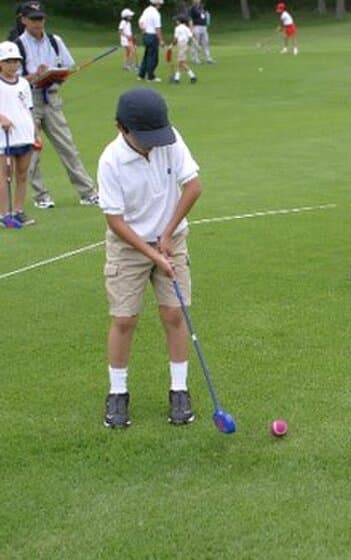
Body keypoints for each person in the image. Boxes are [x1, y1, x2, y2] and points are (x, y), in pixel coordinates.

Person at [97, 87, 203, 429]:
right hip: (129, 247)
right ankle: (117, 393)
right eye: (145, 137)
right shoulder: (110, 160)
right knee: (124, 319)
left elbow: (193, 187)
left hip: (170, 239)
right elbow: (115, 220)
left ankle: (179, 389)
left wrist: (168, 234)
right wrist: (152, 254)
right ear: (120, 127)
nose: (153, 143)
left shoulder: (169, 141)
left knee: (174, 314)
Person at [15, 1, 99, 209]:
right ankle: (41, 196)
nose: (38, 23)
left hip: (51, 97)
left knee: (67, 146)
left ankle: (87, 192)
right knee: (33, 150)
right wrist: (35, 76)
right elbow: (12, 80)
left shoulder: (54, 41)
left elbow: (67, 66)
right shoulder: (17, 45)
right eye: (34, 19)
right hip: (28, 100)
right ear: (23, 20)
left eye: (41, 18)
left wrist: (57, 75)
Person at [0, 41, 36, 227]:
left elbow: (28, 109)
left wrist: (35, 132)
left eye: (16, 61)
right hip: (4, 136)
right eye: (8, 61)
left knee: (22, 175)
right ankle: (3, 213)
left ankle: (18, 210)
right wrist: (2, 118)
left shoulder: (23, 83)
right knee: (5, 175)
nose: (13, 65)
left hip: (24, 133)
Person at [137, 0, 165, 83]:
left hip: (146, 35)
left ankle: (141, 75)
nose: (160, 6)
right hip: (152, 36)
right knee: (153, 58)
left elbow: (140, 22)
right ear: (157, 4)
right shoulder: (156, 14)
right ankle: (150, 76)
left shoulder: (146, 10)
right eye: (159, 4)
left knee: (146, 56)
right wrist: (161, 40)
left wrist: (143, 29)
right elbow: (157, 29)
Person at [170, 16, 197, 84]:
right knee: (180, 63)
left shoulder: (177, 28)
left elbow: (175, 39)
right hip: (186, 45)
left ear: (179, 21)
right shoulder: (186, 28)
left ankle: (192, 76)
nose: (176, 22)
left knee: (181, 62)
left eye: (176, 20)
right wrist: (197, 45)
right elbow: (191, 37)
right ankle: (177, 79)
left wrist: (171, 45)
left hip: (181, 45)